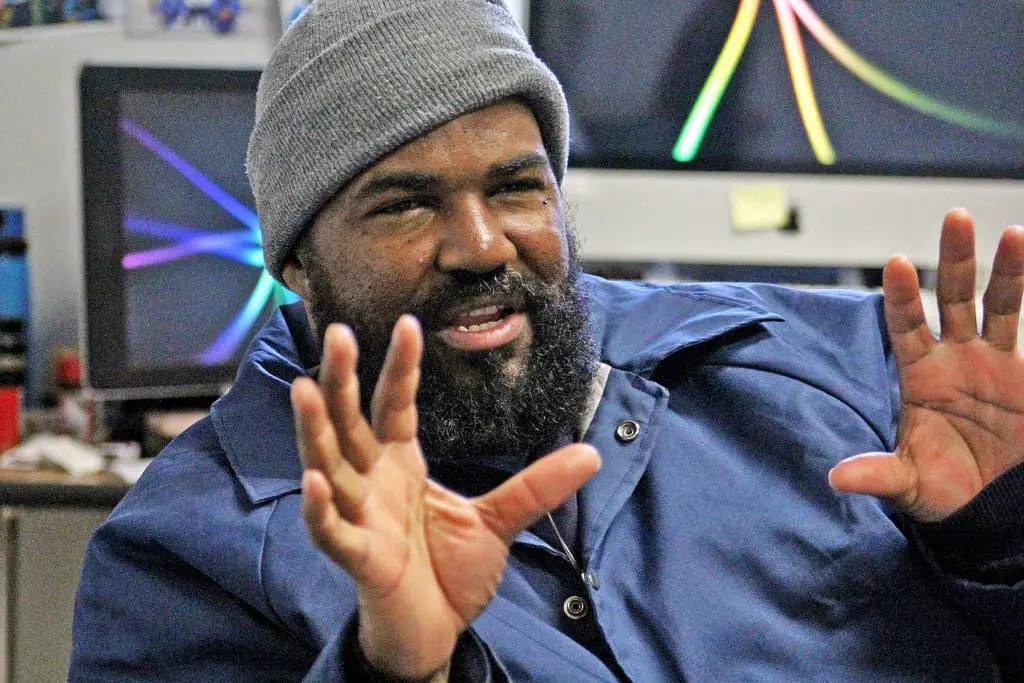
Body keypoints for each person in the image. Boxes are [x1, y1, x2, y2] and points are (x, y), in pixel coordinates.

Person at [70, 0, 1024, 680]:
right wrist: (396, 670)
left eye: (518, 186)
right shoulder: (186, 551)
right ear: (297, 263)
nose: (482, 245)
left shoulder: (839, 368)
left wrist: (997, 535)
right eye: (404, 204)